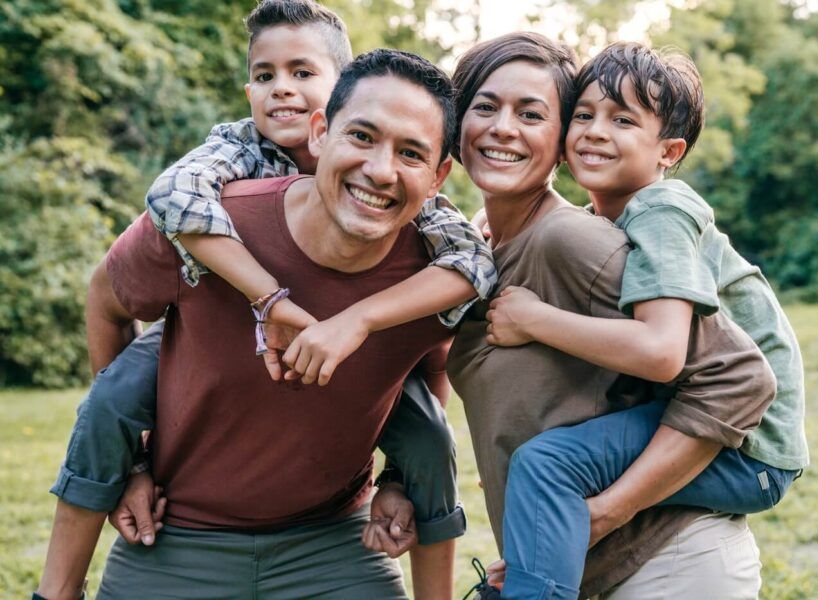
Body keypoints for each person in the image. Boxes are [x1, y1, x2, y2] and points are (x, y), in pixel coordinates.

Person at [39, 2, 486, 597]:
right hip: (182, 519)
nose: (283, 90)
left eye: (302, 72)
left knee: (430, 430)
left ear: (438, 174)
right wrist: (269, 301)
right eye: (266, 75)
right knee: (115, 395)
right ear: (324, 129)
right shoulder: (224, 179)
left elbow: (466, 287)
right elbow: (162, 216)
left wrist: (399, 475)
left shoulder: (426, 243)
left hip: (331, 538)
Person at [443, 33, 777, 599]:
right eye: (485, 106)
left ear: (558, 141)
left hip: (666, 570)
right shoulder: (481, 249)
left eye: (530, 114)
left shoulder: (572, 239)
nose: (503, 127)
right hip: (588, 572)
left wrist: (607, 512)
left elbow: (739, 377)